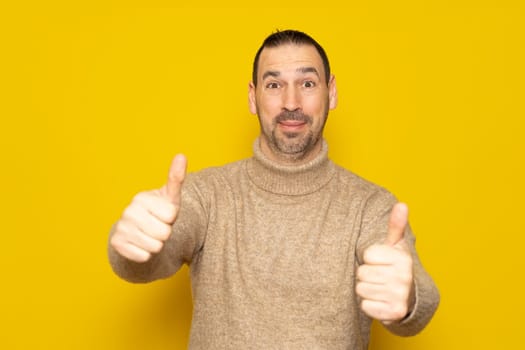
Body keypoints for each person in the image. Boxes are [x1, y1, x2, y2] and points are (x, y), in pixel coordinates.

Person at [108, 29, 439, 349]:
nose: (290, 102)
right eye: (274, 84)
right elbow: (142, 264)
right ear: (253, 97)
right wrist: (131, 247)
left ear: (332, 92)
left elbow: (418, 301)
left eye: (307, 83)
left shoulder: (371, 206)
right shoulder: (205, 195)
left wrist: (407, 297)